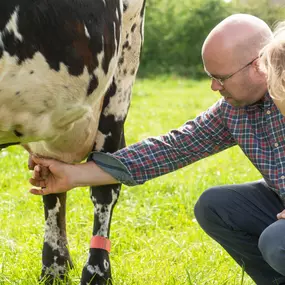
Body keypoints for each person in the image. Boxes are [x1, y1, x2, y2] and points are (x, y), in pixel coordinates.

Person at [29, 14, 285, 285]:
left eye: (221, 78)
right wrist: (74, 175)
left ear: (258, 66)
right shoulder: (233, 112)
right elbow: (171, 148)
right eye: (211, 77)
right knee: (215, 207)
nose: (214, 87)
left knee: (275, 242)